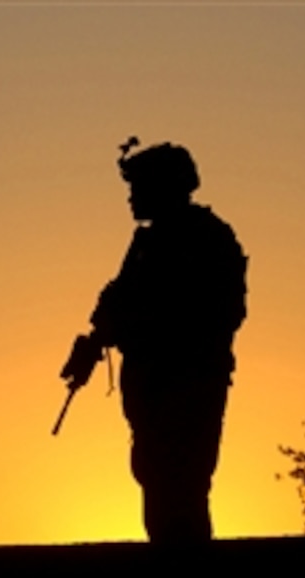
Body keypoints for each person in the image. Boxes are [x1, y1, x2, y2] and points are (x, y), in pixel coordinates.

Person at [71, 139, 247, 544]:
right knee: (154, 478)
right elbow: (115, 301)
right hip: (149, 387)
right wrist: (97, 339)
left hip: (188, 385)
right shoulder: (147, 245)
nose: (132, 198)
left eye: (139, 187)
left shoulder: (207, 239)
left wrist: (140, 326)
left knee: (182, 486)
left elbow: (219, 314)